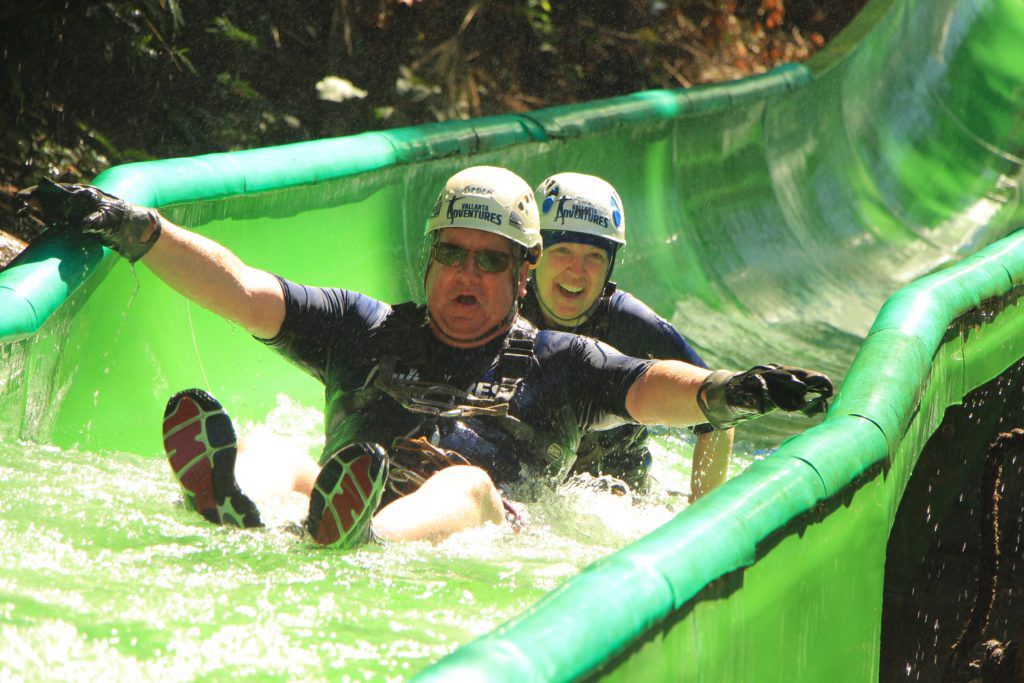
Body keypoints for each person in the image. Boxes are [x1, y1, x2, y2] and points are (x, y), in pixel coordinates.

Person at [18, 167, 833, 550]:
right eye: (453, 254)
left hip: (471, 519)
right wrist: (133, 227)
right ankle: (245, 512)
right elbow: (238, 288)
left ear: (522, 274)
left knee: (467, 482)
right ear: (428, 259)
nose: (467, 275)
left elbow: (657, 386)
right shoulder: (363, 329)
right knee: (273, 448)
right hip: (355, 479)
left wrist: (732, 390)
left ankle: (358, 538)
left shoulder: (565, 362)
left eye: (490, 261)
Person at [522, 172, 731, 500]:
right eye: (563, 250)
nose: (577, 271)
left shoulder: (630, 325)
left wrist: (701, 506)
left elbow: (718, 416)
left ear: (610, 266)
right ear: (535, 254)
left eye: (594, 256)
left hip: (617, 497)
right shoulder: (505, 308)